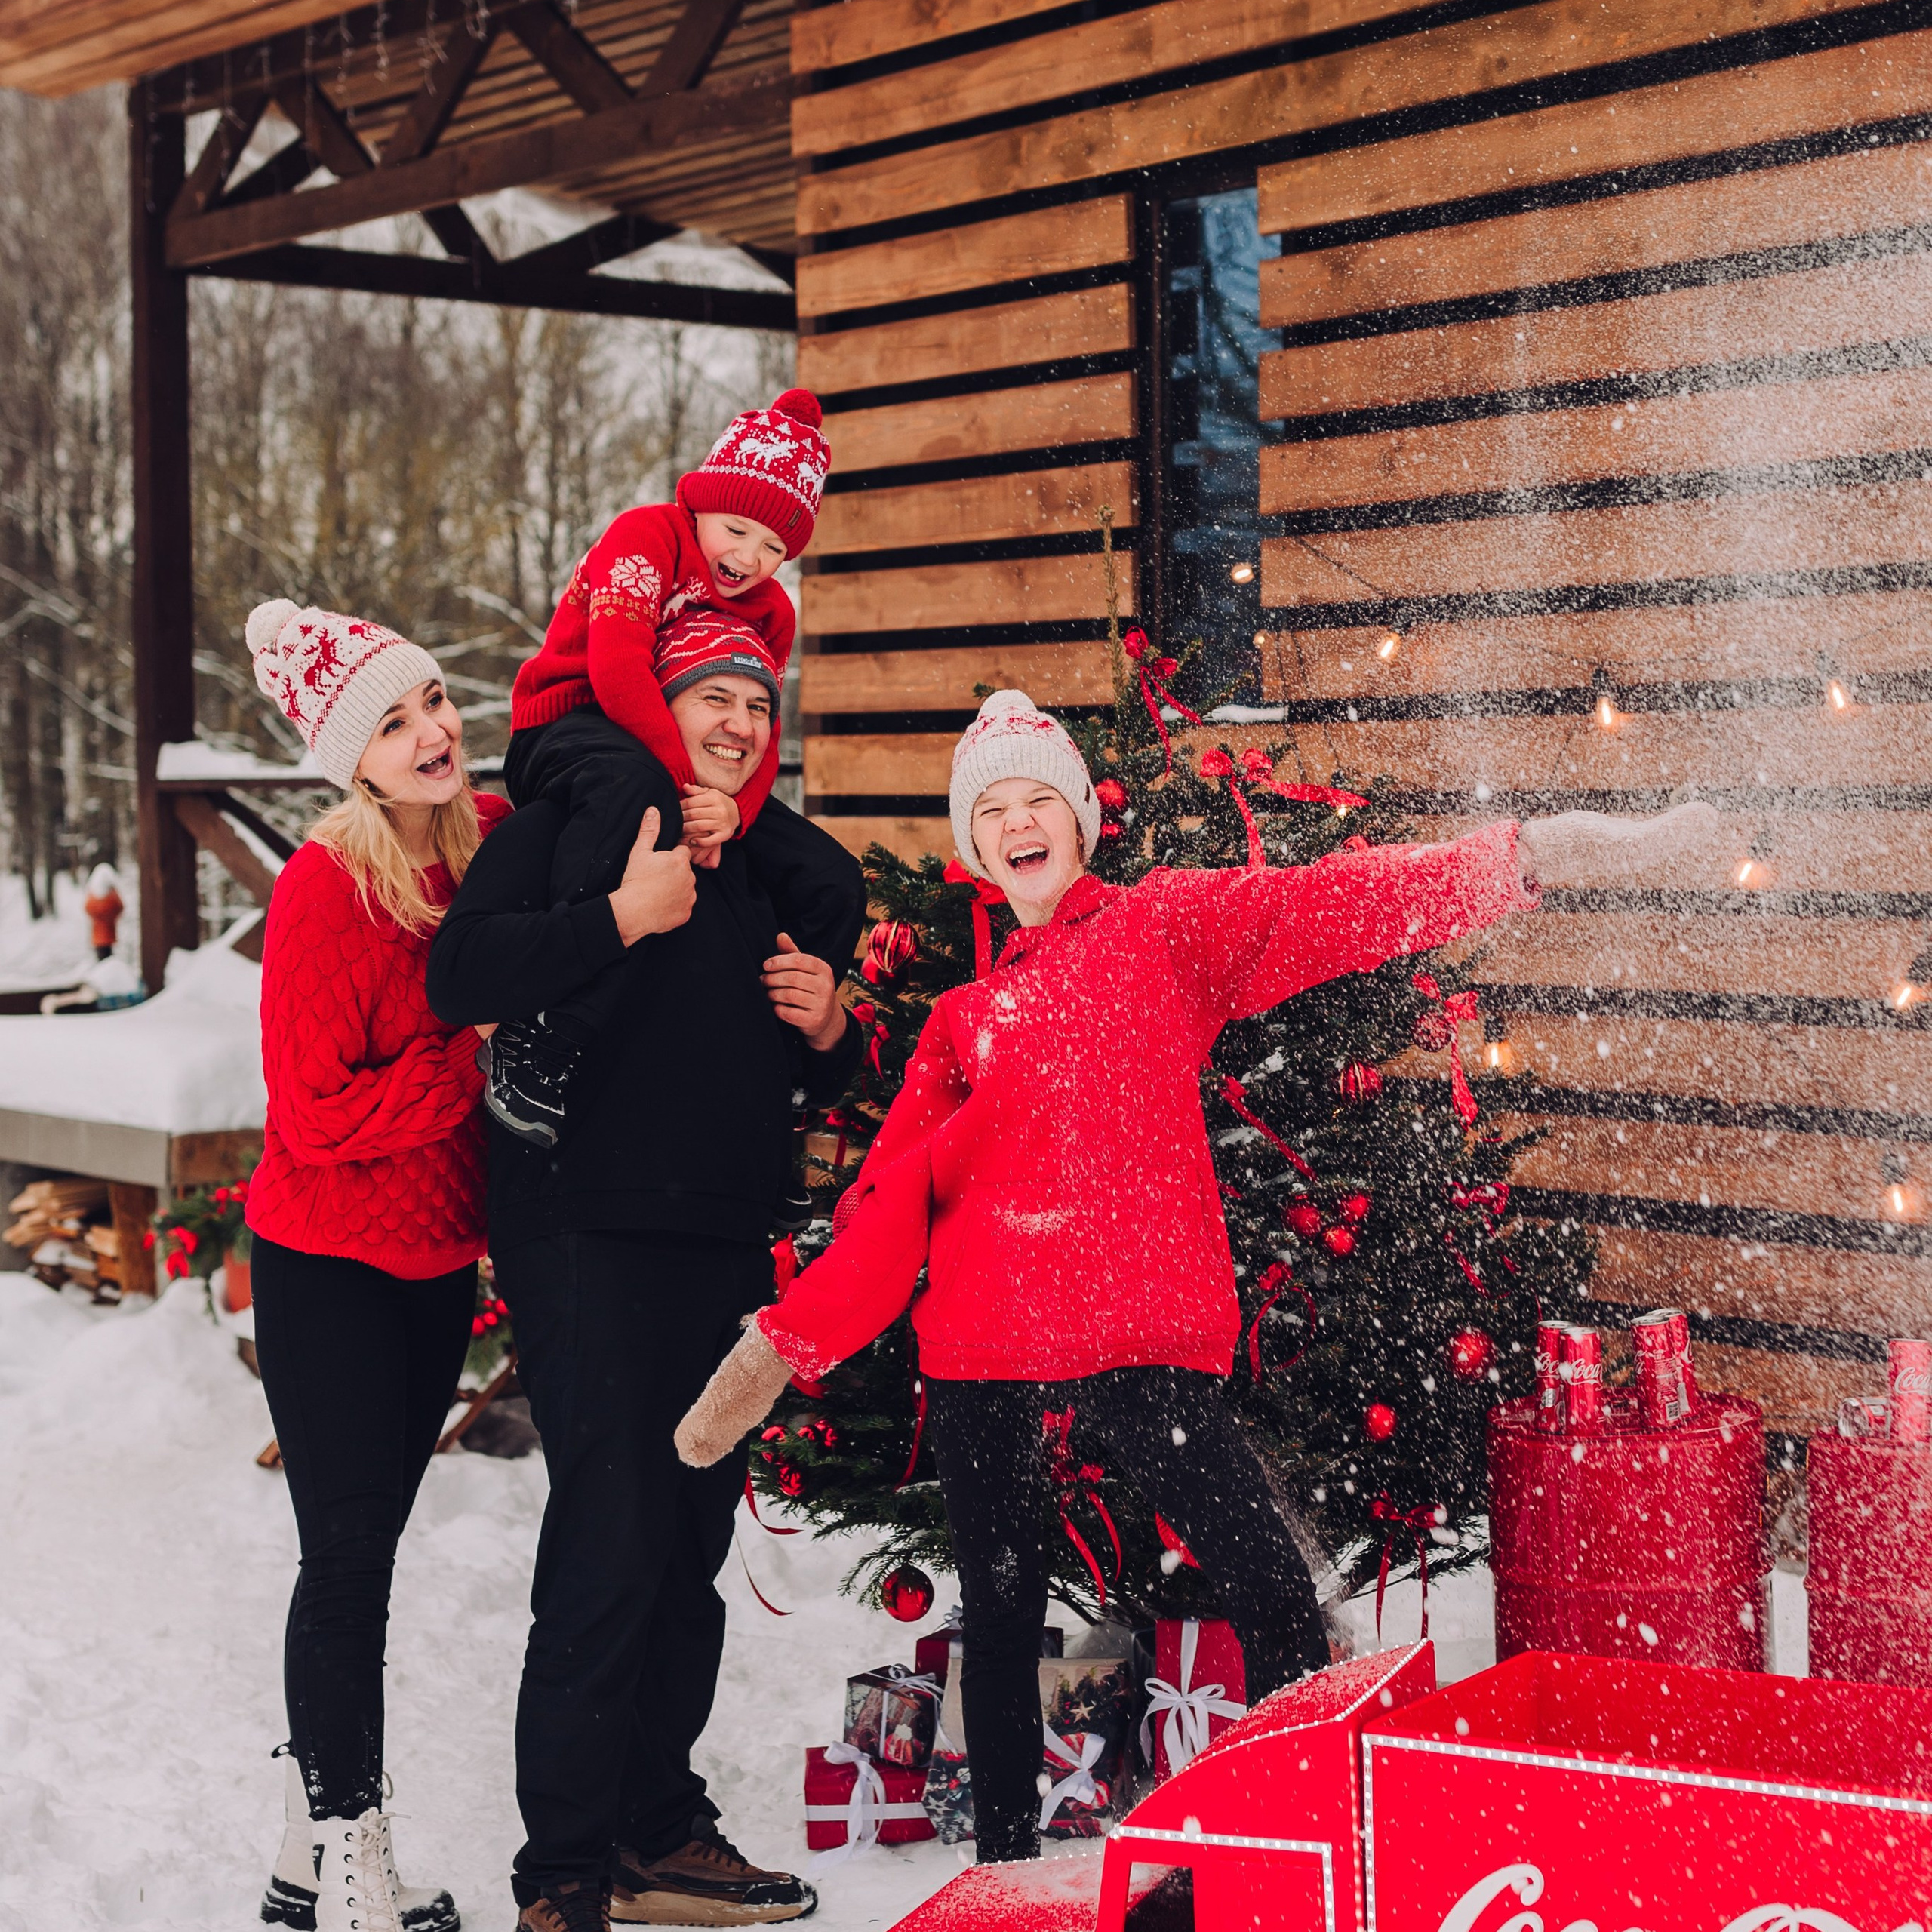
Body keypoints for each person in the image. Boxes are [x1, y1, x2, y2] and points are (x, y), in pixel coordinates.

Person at [674, 689, 1734, 1866]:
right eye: (994, 811)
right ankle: (1005, 1877)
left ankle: (1284, 1848)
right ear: (975, 846)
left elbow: (1330, 903)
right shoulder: (964, 1021)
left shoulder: (1163, 931)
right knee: (1003, 1625)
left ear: (1079, 822)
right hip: (984, 1346)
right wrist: (776, 1350)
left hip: (1141, 1339)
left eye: (1040, 801)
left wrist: (1527, 856)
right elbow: (886, 1207)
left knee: (1274, 1596)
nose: (1019, 824)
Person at [425, 635, 864, 1932]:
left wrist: (830, 1026)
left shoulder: (759, 869)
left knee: (685, 1548)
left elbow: (794, 1060)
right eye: (710, 697)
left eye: (756, 704)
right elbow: (463, 972)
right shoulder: (570, 829)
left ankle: (656, 1830)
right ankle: (563, 1871)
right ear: (653, 706)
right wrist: (621, 913)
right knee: (612, 1541)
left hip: (721, 1238)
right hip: (588, 1227)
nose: (738, 722)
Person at [243, 597, 510, 1932]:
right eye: (393, 722)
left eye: (435, 702)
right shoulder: (324, 888)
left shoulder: (486, 844)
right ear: (351, 758)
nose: (430, 733)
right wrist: (468, 1052)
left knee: (371, 1557)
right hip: (326, 1265)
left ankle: (306, 1854)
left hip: (435, 1263)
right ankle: (354, 1858)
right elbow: (313, 1117)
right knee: (346, 1563)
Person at [481, 389, 831, 1147]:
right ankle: (546, 1034)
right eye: (737, 530)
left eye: (775, 548)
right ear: (699, 503)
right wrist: (687, 788)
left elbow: (765, 723)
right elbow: (616, 669)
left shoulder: (773, 611)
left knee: (826, 868)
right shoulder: (647, 536)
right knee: (634, 789)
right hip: (567, 720)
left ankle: (790, 1073)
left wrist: (735, 811)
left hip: (665, 756)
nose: (750, 559)